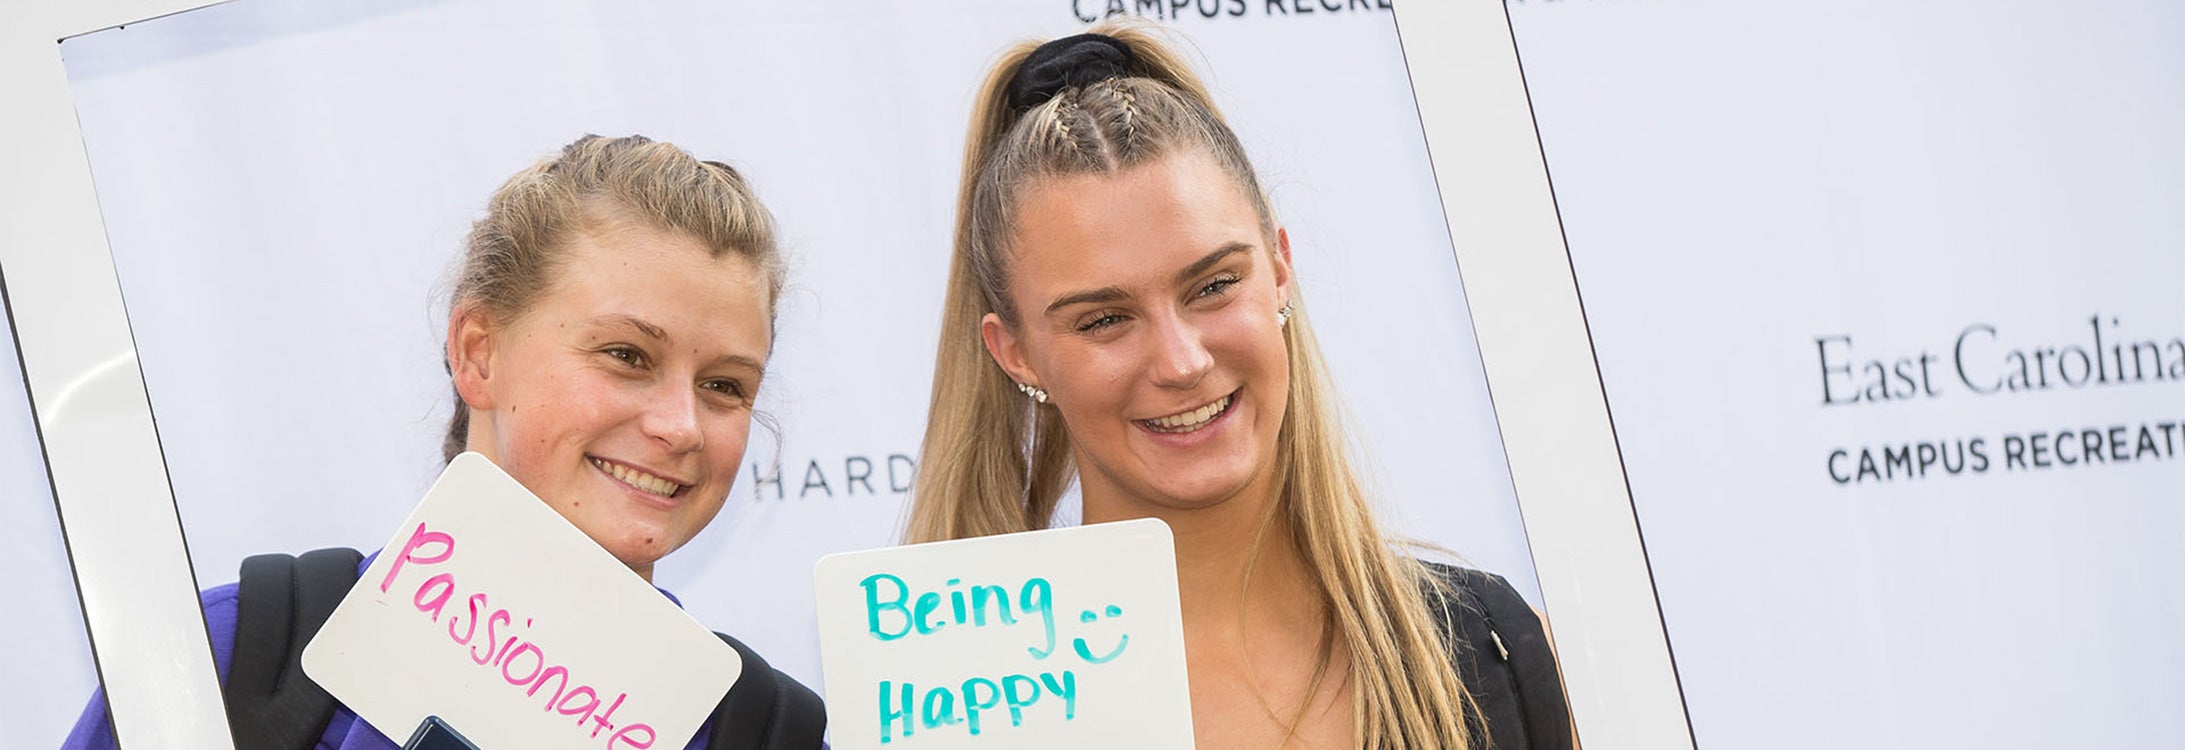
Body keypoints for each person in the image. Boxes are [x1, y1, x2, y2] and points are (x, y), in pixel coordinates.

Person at [906, 21, 1573, 749]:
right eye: (1103, 319)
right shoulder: (948, 712)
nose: (1181, 360)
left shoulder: (1493, 650)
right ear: (1016, 354)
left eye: (1214, 285)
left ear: (1278, 268)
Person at [62, 135, 821, 750]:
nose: (680, 426)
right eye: (627, 355)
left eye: (725, 386)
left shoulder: (765, 734)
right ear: (478, 352)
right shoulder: (234, 655)